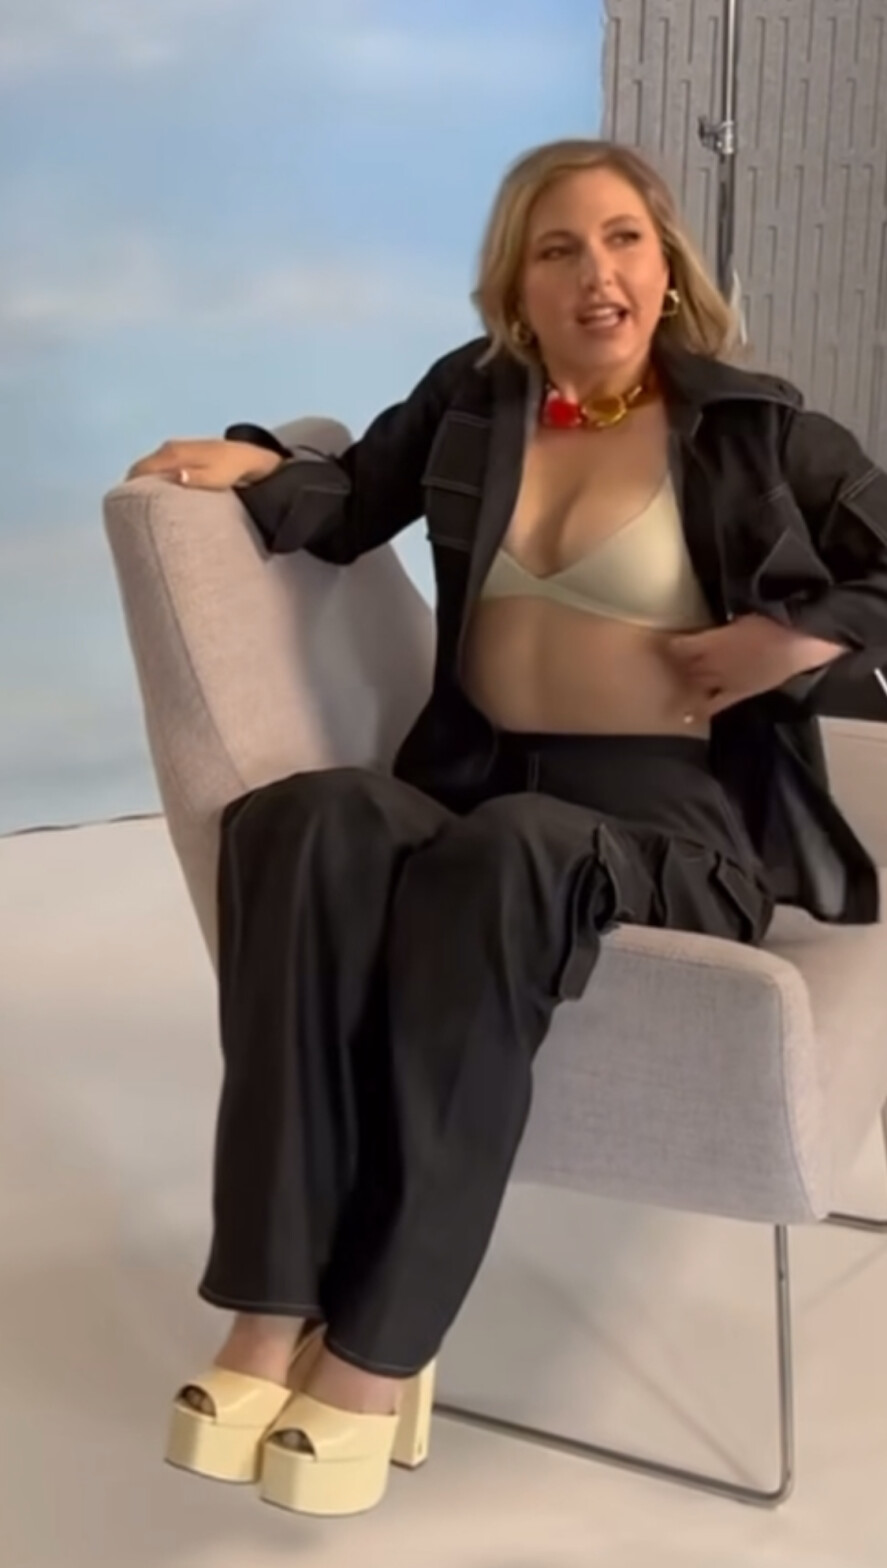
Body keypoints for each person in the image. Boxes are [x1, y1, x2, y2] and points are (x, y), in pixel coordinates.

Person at [126, 137, 887, 1520]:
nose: (597, 273)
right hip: (478, 778)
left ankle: (380, 1347)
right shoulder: (474, 402)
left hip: (671, 819)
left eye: (624, 240)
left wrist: (794, 643)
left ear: (668, 268)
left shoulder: (758, 432)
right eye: (559, 249)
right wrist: (256, 460)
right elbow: (351, 503)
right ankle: (272, 1305)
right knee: (303, 821)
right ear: (515, 288)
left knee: (508, 853)